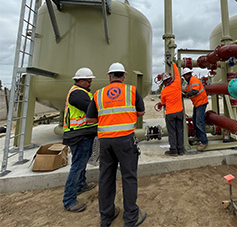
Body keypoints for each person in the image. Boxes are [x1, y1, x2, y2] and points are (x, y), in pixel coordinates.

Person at [86, 62, 146, 227]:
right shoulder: (131, 90)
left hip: (105, 142)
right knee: (129, 177)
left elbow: (89, 118)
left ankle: (106, 216)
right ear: (124, 75)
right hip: (126, 140)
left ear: (109, 76)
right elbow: (141, 112)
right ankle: (130, 218)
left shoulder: (98, 94)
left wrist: (108, 118)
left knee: (106, 177)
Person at [62, 67, 98, 213]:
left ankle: (81, 185)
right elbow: (92, 110)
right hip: (78, 135)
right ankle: (69, 200)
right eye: (88, 80)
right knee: (77, 166)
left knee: (82, 162)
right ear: (80, 81)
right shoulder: (77, 94)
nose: (90, 83)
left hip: (83, 133)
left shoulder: (82, 92)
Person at [160, 63, 185, 156]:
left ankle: (173, 150)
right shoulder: (177, 83)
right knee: (180, 131)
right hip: (179, 112)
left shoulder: (164, 91)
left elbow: (163, 102)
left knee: (172, 132)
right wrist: (173, 64)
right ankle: (181, 150)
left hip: (170, 113)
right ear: (170, 79)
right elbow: (177, 73)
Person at [181, 68, 208, 151]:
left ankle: (204, 142)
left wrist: (186, 95)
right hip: (197, 103)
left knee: (199, 122)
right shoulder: (189, 83)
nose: (184, 78)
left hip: (201, 103)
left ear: (186, 75)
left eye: (184, 76)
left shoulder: (194, 80)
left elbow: (195, 91)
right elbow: (186, 90)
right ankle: (198, 136)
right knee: (194, 119)